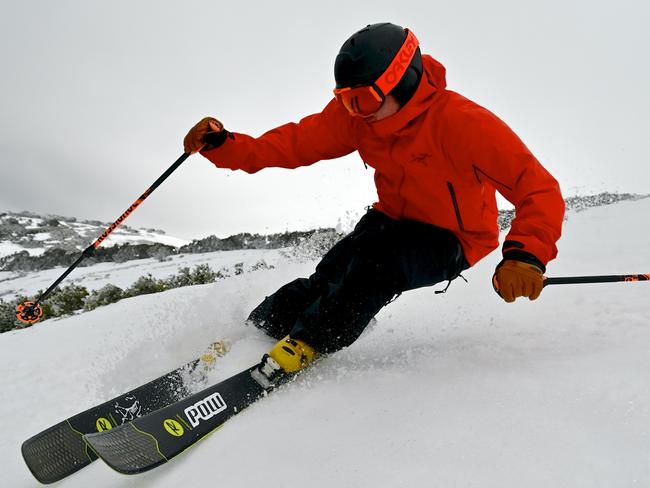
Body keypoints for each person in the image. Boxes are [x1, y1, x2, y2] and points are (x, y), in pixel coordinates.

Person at [183, 23, 565, 378]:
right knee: (331, 273)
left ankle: (308, 343)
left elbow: (538, 188)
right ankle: (257, 331)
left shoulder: (462, 124)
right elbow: (295, 143)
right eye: (345, 100)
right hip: (391, 219)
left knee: (373, 270)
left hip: (452, 238)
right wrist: (226, 146)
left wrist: (525, 255)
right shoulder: (359, 117)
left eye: (362, 99)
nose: (354, 112)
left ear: (405, 80)